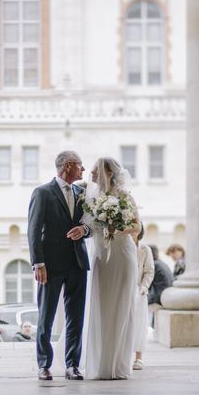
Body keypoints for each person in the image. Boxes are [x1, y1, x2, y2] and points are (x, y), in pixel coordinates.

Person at [28, 150, 90, 381]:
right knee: (46, 316)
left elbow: (91, 225)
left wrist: (84, 230)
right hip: (50, 265)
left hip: (78, 263)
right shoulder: (42, 192)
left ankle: (72, 365)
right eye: (80, 166)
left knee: (76, 316)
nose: (83, 170)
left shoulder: (82, 192)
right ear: (68, 165)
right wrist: (38, 263)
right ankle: (44, 364)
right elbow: (33, 230)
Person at [83, 157, 139, 380]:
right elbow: (88, 225)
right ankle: (100, 364)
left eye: (96, 170)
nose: (92, 174)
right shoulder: (92, 196)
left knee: (122, 306)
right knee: (101, 306)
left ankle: (118, 364)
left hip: (122, 255)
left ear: (108, 172)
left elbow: (137, 226)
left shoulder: (125, 196)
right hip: (101, 257)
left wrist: (116, 228)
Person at [132, 222, 154, 371]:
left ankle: (138, 358)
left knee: (139, 324)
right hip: (124, 290)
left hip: (139, 291)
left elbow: (149, 271)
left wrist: (144, 287)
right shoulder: (121, 247)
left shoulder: (145, 250)